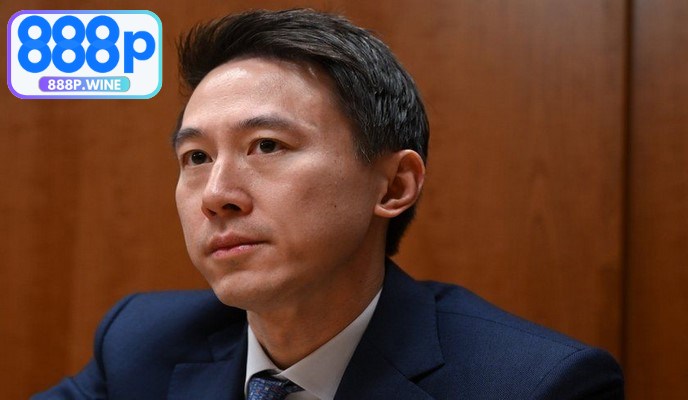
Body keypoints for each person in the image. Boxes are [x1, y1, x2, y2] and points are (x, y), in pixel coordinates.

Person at [34, 9, 624, 400]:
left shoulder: (535, 386)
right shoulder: (141, 343)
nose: (216, 196)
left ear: (393, 186)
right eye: (196, 157)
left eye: (267, 145)